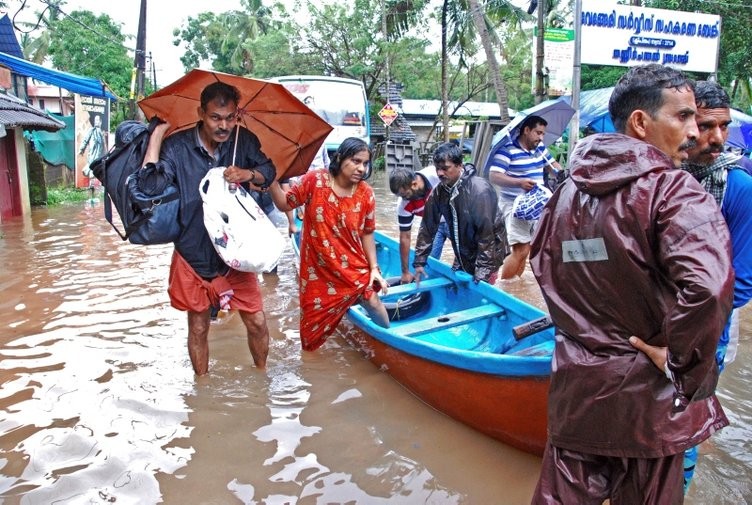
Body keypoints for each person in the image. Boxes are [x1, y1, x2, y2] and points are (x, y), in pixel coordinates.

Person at [529, 64, 735, 504]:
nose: (695, 132)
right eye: (682, 117)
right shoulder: (674, 191)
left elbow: (542, 265)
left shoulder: (567, 191)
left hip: (577, 391)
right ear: (641, 122)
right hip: (649, 405)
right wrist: (682, 366)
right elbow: (710, 289)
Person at [139, 81, 275, 376]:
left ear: (237, 115)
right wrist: (158, 136)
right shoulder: (177, 147)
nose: (223, 125)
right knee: (199, 326)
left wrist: (247, 173)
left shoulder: (244, 141)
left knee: (257, 321)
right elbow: (149, 185)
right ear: (201, 113)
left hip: (236, 253)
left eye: (229, 118)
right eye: (215, 117)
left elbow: (269, 171)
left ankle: (261, 376)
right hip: (193, 252)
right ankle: (202, 385)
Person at [670, 80, 752, 492]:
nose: (716, 137)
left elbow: (743, 280)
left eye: (724, 126)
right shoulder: (664, 177)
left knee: (685, 429)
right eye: (704, 125)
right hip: (654, 327)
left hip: (705, 332)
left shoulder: (738, 188)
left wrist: (682, 326)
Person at [268, 137, 390, 351]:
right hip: (318, 271)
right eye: (355, 161)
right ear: (340, 157)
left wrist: (374, 269)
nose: (361, 168)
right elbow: (284, 203)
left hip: (352, 267)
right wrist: (270, 179)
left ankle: (388, 342)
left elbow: (368, 233)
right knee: (310, 339)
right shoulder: (315, 181)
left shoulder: (366, 194)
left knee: (373, 301)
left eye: (365, 163)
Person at [411, 142, 505, 285]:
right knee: (460, 282)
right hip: (464, 249)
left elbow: (487, 235)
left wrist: (483, 272)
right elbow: (427, 227)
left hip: (490, 253)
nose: (440, 173)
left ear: (459, 165)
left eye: (445, 168)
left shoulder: (479, 190)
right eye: (437, 169)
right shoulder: (440, 191)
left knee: (482, 286)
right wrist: (419, 261)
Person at [488, 115, 562, 280]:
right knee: (521, 250)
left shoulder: (540, 149)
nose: (541, 137)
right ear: (526, 130)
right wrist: (519, 182)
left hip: (536, 205)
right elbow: (494, 176)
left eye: (543, 133)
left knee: (531, 249)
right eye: (538, 133)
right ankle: (505, 287)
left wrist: (559, 171)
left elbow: (552, 165)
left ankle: (515, 286)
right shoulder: (507, 150)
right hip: (514, 205)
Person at [388, 165, 448, 284]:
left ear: (414, 184)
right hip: (434, 226)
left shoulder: (435, 175)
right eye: (400, 196)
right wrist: (405, 272)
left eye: (405, 195)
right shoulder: (404, 205)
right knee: (428, 263)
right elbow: (405, 237)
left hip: (454, 220)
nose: (403, 199)